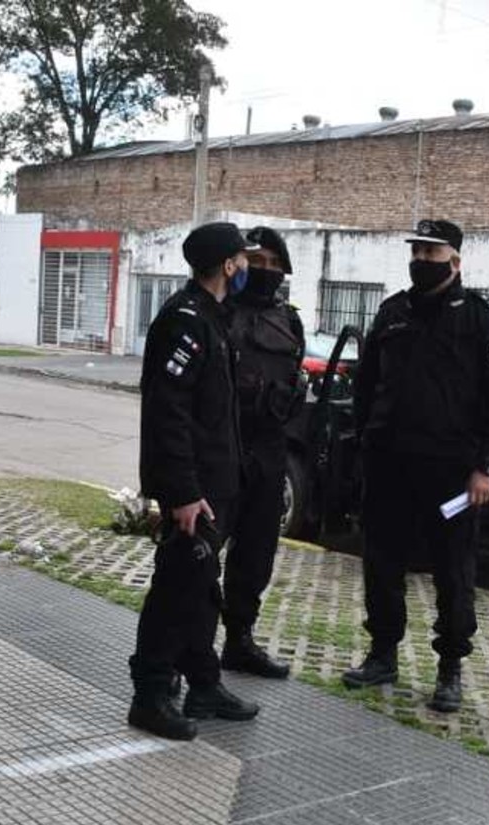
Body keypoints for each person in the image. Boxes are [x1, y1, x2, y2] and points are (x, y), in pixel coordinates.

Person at [341, 219, 489, 713]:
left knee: (453, 572)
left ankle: (449, 668)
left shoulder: (482, 321)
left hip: (452, 473)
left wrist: (486, 468)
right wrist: (366, 444)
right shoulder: (393, 312)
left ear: (455, 261)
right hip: (390, 465)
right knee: (382, 563)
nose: (420, 260)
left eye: (431, 253)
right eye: (416, 251)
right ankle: (382, 655)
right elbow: (365, 386)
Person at [128, 221, 261, 741]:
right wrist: (182, 492)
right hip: (194, 490)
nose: (248, 267)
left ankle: (203, 684)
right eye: (243, 259)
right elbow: (170, 414)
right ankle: (151, 693)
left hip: (216, 483)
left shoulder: (213, 318)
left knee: (202, 590)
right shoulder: (185, 321)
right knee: (176, 589)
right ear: (228, 265)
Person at [220, 227, 306, 679]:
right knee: (195, 558)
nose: (265, 271)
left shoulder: (289, 321)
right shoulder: (213, 310)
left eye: (274, 265)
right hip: (220, 447)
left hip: (269, 451)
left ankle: (239, 641)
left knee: (255, 556)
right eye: (257, 261)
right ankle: (181, 649)